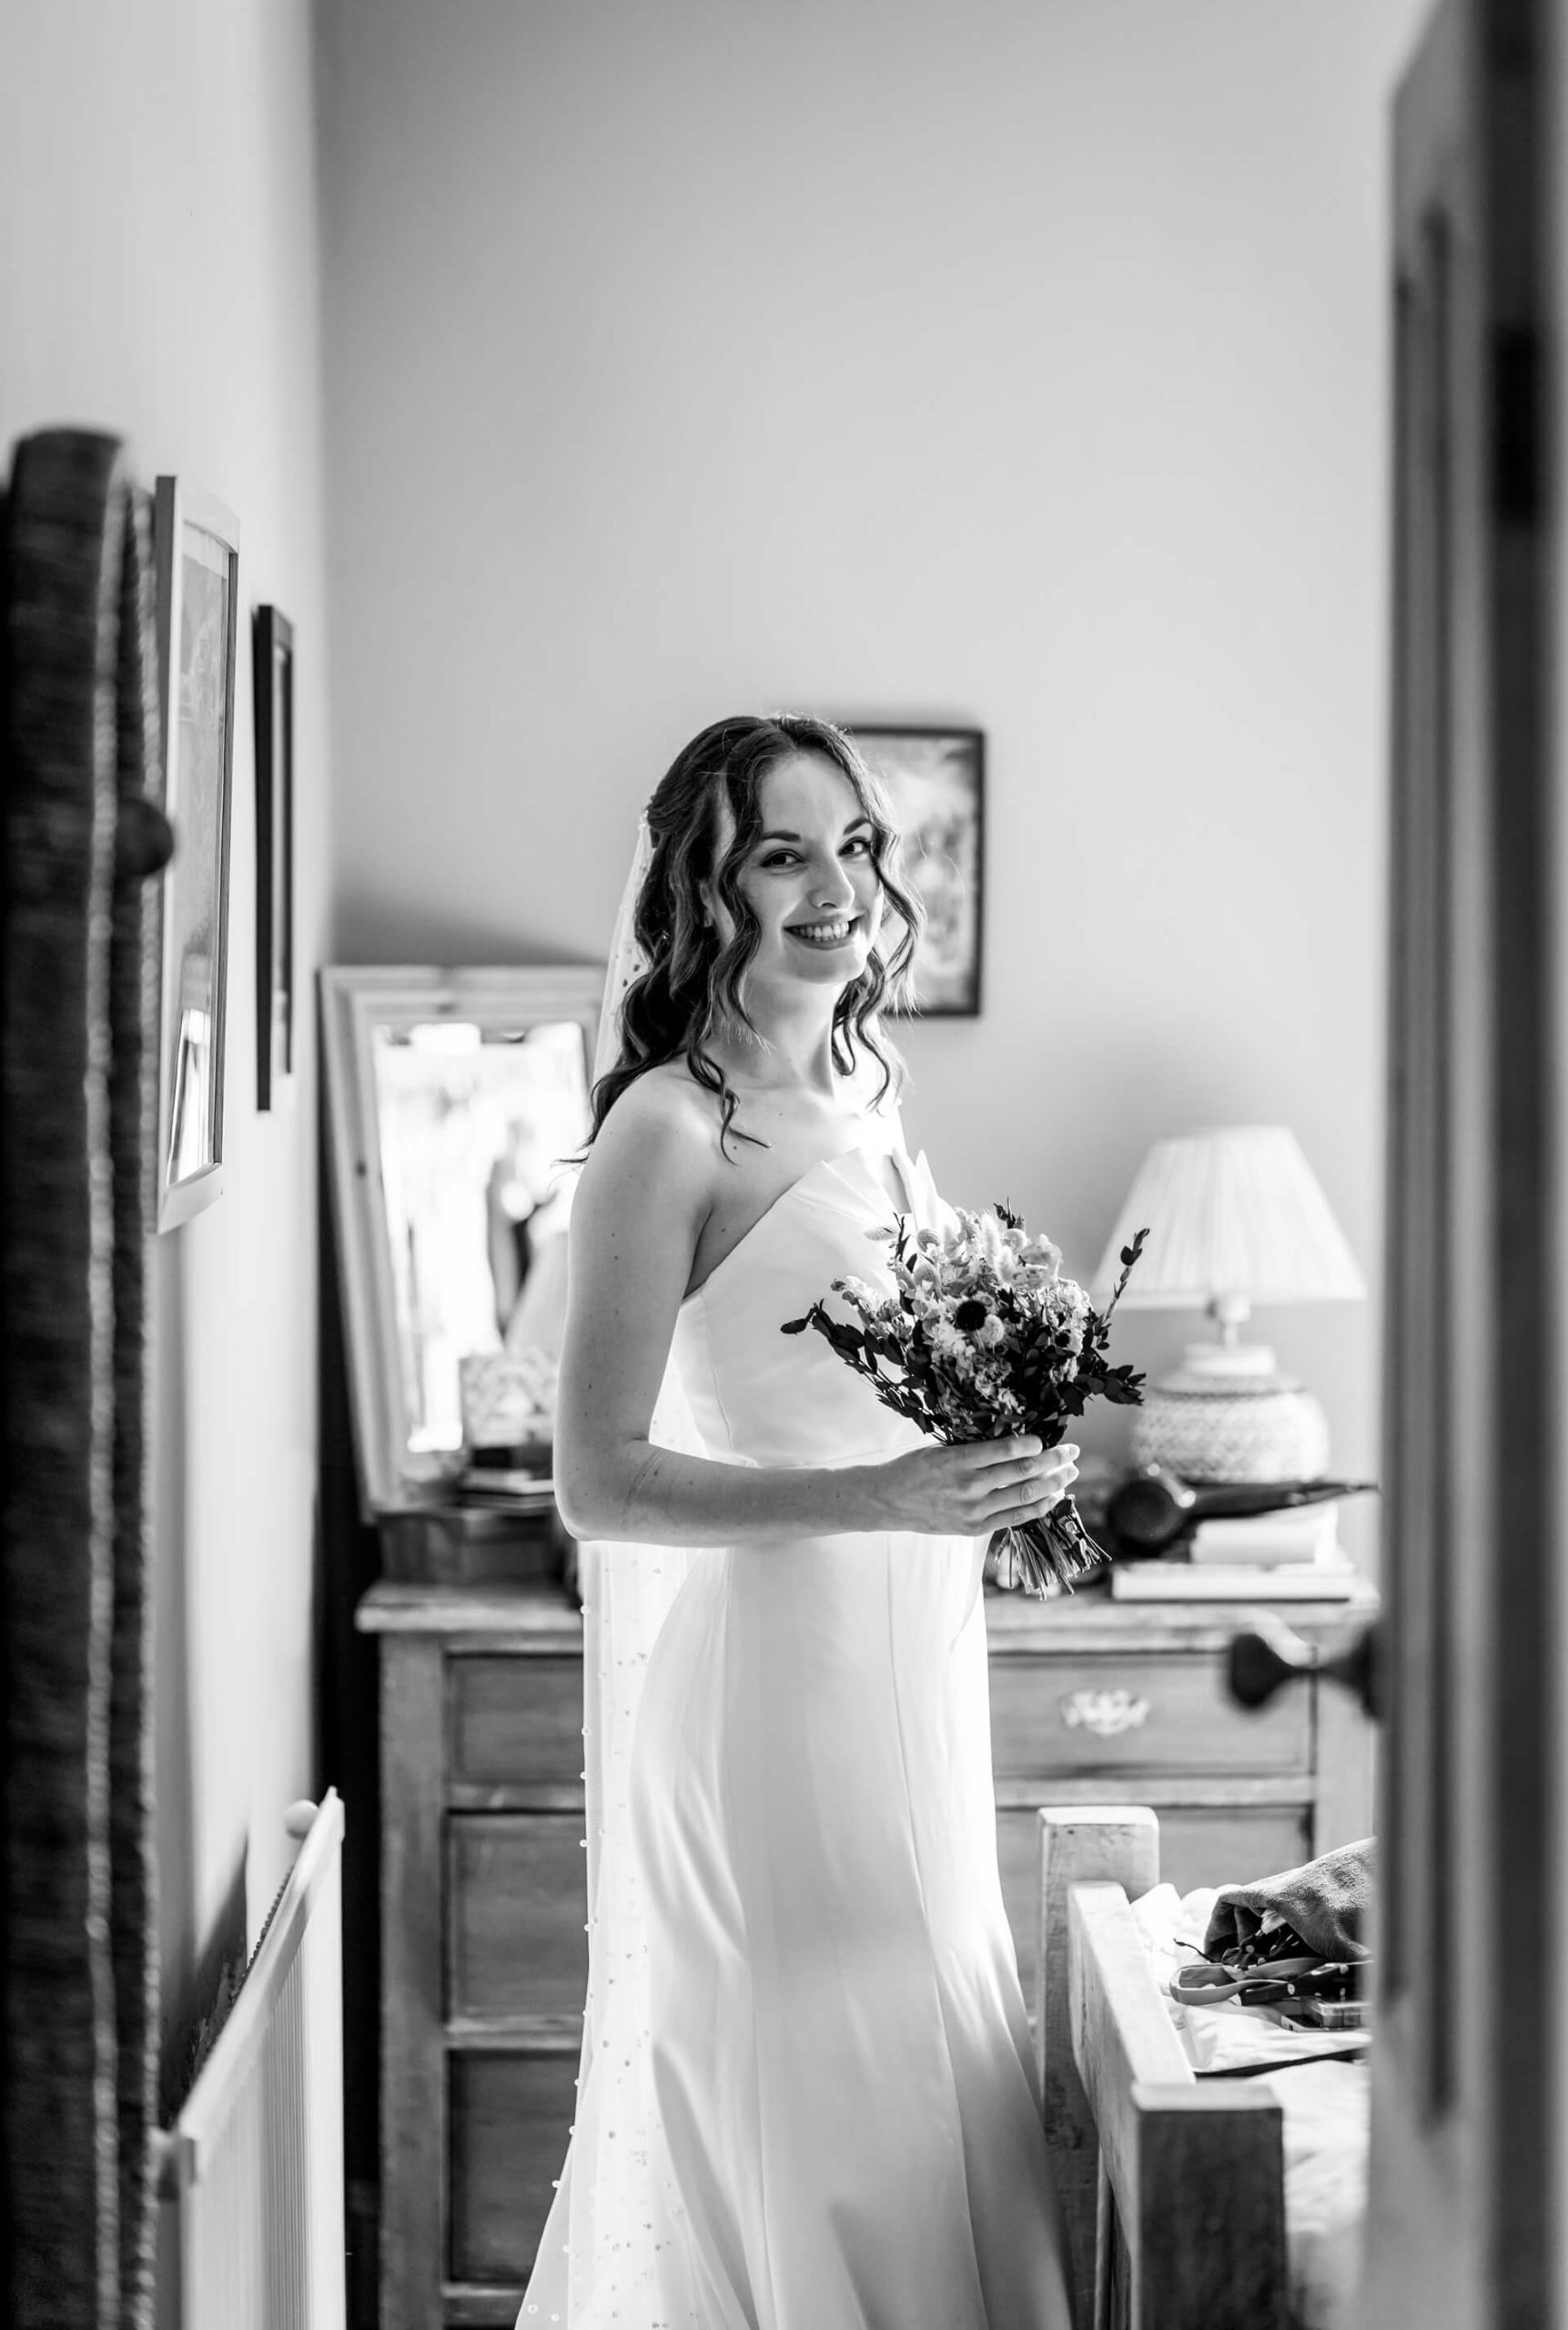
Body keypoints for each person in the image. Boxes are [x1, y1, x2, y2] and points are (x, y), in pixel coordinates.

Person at [517, 714, 1077, 2329]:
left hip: (918, 1659)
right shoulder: (664, 1135)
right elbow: (594, 1480)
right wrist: (882, 1496)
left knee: (935, 2049)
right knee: (826, 2090)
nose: (836, 886)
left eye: (853, 845)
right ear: (710, 888)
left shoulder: (867, 1080)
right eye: (783, 852)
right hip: (775, 1698)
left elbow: (889, 1365)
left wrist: (993, 1461)